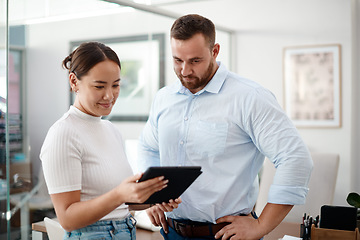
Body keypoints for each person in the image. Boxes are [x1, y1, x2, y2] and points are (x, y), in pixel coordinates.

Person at [138, 14, 313, 240]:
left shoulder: (249, 97)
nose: (184, 71)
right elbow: (148, 147)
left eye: (195, 61)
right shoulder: (163, 98)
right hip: (171, 232)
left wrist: (261, 226)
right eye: (177, 60)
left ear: (215, 51)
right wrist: (151, 195)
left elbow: (296, 158)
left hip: (227, 235)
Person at [40, 41, 180, 240]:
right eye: (99, 86)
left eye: (115, 85)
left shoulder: (111, 130)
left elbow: (119, 202)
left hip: (125, 231)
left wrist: (152, 199)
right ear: (74, 81)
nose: (109, 95)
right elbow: (68, 219)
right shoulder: (63, 133)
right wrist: (120, 195)